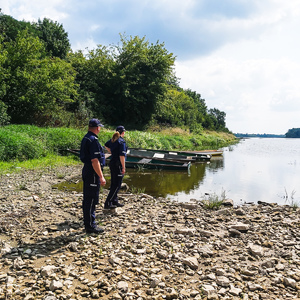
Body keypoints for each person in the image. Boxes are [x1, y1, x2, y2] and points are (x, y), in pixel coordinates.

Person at [80, 118, 106, 234]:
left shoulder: (86, 137)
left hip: (87, 170)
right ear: (97, 128)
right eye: (100, 127)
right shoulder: (93, 140)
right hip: (92, 173)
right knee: (91, 199)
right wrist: (101, 176)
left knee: (87, 198)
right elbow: (95, 160)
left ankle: (88, 222)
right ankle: (90, 226)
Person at [104, 125, 127, 209]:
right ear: (123, 132)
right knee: (117, 185)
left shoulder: (113, 140)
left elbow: (106, 145)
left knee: (114, 182)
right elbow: (122, 156)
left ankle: (114, 200)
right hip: (118, 165)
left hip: (112, 163)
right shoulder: (121, 141)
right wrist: (123, 167)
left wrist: (112, 152)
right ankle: (108, 202)